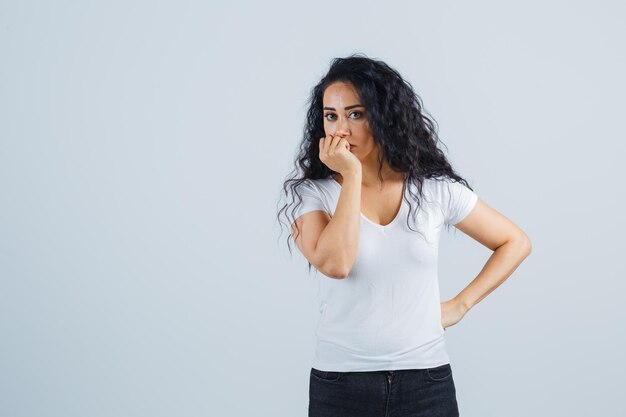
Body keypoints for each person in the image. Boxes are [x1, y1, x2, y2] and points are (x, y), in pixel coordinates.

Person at [276, 53, 532, 417]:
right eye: (331, 116)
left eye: (355, 114)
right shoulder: (309, 194)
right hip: (341, 386)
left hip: (426, 383)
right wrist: (351, 177)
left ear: (383, 116)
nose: (340, 129)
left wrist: (460, 305)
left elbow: (515, 242)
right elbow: (335, 263)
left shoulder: (433, 190)